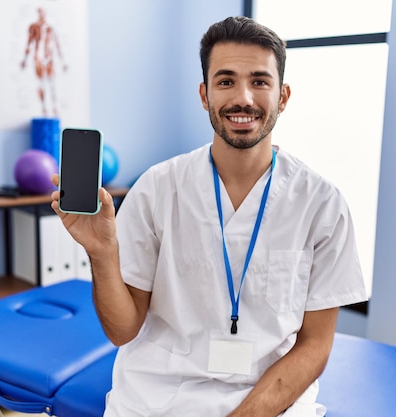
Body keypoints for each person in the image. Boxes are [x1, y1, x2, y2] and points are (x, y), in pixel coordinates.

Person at [50, 16, 367, 417]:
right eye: (226, 81)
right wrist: (101, 253)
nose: (244, 98)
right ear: (204, 94)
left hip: (267, 401)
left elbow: (314, 346)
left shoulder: (322, 205)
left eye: (259, 81)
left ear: (283, 96)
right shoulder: (157, 188)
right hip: (157, 397)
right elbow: (122, 330)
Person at [20, 7, 67, 117]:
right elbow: (29, 44)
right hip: (38, 58)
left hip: (49, 57)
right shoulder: (34, 27)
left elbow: (57, 44)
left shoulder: (50, 27)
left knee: (51, 83)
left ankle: (54, 107)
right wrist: (24, 60)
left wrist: (62, 61)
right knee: (41, 83)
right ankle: (44, 108)